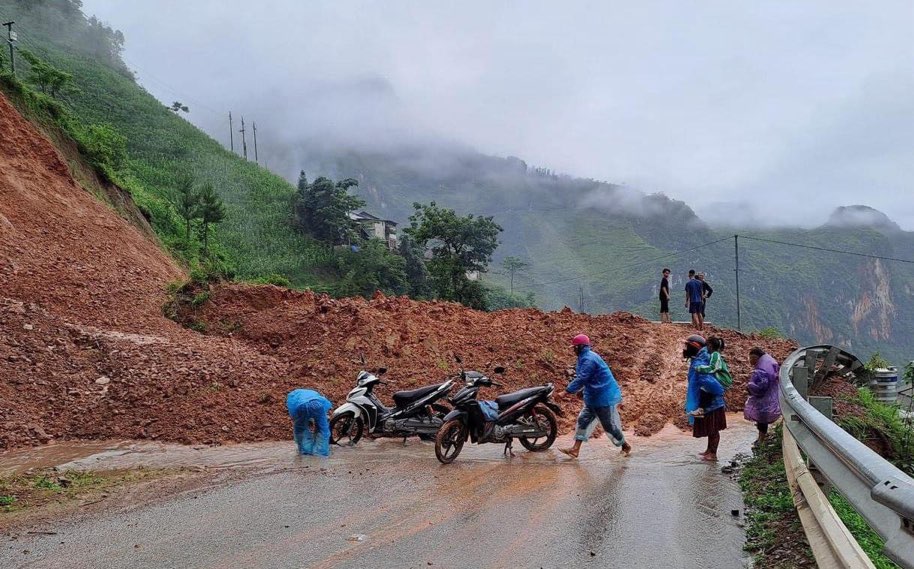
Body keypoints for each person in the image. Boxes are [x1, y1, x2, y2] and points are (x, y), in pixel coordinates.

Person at [559, 334, 632, 458]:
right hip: (593, 396)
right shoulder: (584, 357)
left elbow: (582, 378)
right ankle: (575, 449)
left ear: (580, 347)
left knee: (608, 426)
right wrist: (581, 392)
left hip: (603, 397)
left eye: (575, 347)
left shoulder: (589, 360)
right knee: (583, 420)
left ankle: (625, 446)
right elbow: (589, 378)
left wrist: (566, 391)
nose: (573, 350)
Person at [683, 335, 726, 461]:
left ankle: (713, 453)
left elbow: (707, 380)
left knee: (713, 428)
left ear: (695, 347)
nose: (685, 349)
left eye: (688, 346)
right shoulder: (700, 357)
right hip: (707, 399)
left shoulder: (702, 359)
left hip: (712, 401)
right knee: (710, 427)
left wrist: (712, 392)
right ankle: (709, 450)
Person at [744, 347, 781, 444]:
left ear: (756, 358)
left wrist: (750, 387)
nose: (750, 360)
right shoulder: (768, 363)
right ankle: (761, 438)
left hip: (764, 399)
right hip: (771, 396)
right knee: (762, 419)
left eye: (751, 358)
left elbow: (761, 386)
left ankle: (761, 440)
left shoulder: (761, 369)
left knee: (762, 419)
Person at [689, 336, 732, 417]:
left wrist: (700, 368)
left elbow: (714, 368)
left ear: (710, 346)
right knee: (707, 388)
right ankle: (701, 409)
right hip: (721, 378)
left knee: (705, 388)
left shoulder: (715, 354)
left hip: (722, 379)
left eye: (707, 346)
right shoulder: (714, 354)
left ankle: (701, 409)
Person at [286, 388, 333, 456]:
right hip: (318, 405)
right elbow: (323, 404)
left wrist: (297, 420)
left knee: (301, 430)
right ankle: (321, 453)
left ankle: (306, 452)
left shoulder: (292, 396)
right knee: (323, 429)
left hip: (301, 406)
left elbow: (293, 412)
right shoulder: (312, 393)